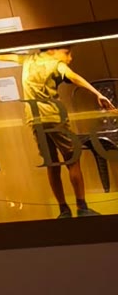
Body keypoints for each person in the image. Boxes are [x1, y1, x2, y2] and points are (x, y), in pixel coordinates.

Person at [19, 46, 106, 218]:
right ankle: (82, 207)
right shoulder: (55, 63)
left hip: (34, 119)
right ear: (52, 50)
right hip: (54, 117)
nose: (70, 57)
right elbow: (74, 77)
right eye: (67, 52)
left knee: (51, 164)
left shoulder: (28, 61)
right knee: (72, 159)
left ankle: (63, 209)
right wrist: (97, 93)